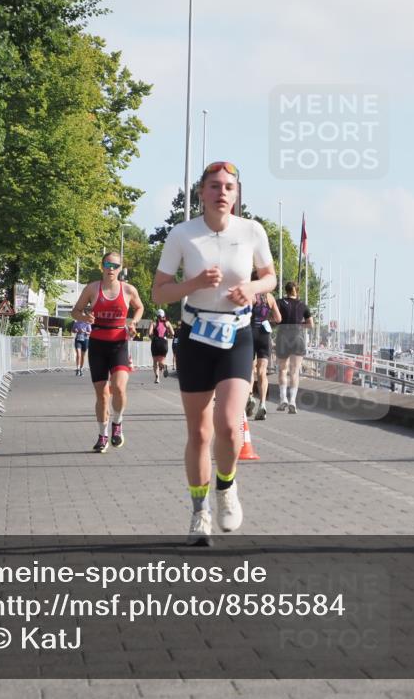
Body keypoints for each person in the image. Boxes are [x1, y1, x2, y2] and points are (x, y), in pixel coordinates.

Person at [152, 161, 276, 545]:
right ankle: (199, 512)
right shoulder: (182, 234)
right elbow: (159, 292)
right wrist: (194, 282)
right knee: (200, 432)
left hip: (236, 334)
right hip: (195, 335)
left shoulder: (252, 231)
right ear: (201, 193)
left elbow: (270, 276)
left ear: (237, 195)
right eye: (214, 186)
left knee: (227, 422)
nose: (221, 192)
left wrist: (253, 290)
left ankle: (226, 487)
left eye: (228, 187)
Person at [70, 251, 144, 453]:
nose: (111, 269)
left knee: (119, 388)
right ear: (102, 266)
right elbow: (75, 311)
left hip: (119, 344)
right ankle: (102, 436)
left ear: (120, 269)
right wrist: (84, 318)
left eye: (115, 266)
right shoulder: (92, 289)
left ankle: (117, 424)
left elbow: (140, 307)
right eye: (108, 265)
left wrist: (133, 322)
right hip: (97, 345)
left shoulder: (128, 290)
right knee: (102, 395)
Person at [247, 270, 282, 420]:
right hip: (264, 334)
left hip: (250, 333)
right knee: (262, 372)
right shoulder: (270, 298)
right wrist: (268, 321)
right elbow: (279, 318)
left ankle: (249, 397)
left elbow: (244, 315)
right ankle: (262, 404)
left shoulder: (251, 296)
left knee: (249, 369)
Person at [275, 281, 314, 414]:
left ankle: (283, 399)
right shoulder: (302, 305)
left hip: (283, 338)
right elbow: (310, 324)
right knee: (295, 371)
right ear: (297, 291)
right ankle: (292, 400)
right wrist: (300, 324)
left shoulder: (279, 302)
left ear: (286, 291)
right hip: (298, 338)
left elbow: (275, 319)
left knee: (282, 370)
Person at [148, 310, 174, 384]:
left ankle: (157, 378)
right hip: (164, 343)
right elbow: (173, 333)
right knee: (161, 361)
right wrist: (167, 334)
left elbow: (149, 334)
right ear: (163, 315)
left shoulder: (153, 323)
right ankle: (164, 365)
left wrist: (152, 337)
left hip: (155, 342)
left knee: (155, 362)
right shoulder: (167, 323)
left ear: (156, 315)